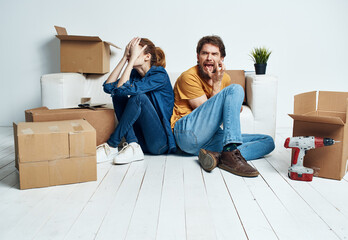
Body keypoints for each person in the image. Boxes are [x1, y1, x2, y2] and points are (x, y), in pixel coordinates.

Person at [170, 35, 275, 177]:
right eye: (205, 53)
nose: (209, 57)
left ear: (222, 59)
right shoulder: (188, 77)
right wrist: (217, 84)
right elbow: (207, 113)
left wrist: (230, 102)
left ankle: (219, 156)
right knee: (236, 89)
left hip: (210, 138)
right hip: (187, 133)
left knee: (268, 142)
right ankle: (230, 151)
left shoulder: (225, 78)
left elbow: (230, 108)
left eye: (214, 54)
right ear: (198, 56)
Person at [97, 37, 176, 164]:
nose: (130, 55)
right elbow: (108, 88)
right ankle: (133, 146)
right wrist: (124, 59)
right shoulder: (134, 75)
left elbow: (122, 88)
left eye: (134, 52)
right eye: (130, 52)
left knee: (139, 97)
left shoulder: (159, 75)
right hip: (139, 141)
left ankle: (112, 145)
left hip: (159, 143)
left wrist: (131, 60)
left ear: (147, 57)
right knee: (117, 95)